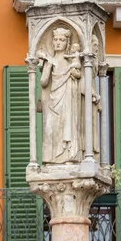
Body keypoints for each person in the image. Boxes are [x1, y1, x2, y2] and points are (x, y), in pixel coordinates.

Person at [37, 28, 83, 163]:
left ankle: (69, 157)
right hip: (52, 101)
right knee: (51, 129)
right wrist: (49, 65)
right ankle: (50, 159)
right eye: (56, 40)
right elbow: (44, 82)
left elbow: (78, 74)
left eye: (61, 40)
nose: (58, 42)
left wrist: (72, 70)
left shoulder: (70, 60)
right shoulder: (49, 61)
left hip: (68, 100)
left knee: (68, 127)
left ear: (67, 43)